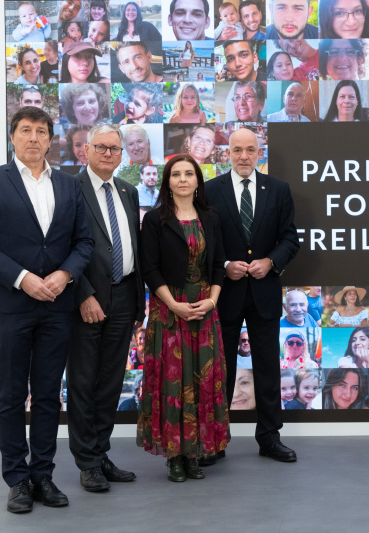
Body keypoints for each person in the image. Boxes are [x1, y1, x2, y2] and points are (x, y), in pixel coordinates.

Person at [0, 107, 93, 513]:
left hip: (57, 306)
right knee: (9, 394)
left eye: (42, 131)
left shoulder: (70, 185)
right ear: (13, 136)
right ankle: (17, 479)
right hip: (11, 305)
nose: (34, 138)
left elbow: (84, 243)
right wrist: (22, 277)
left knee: (46, 395)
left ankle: (43, 475)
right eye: (26, 131)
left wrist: (66, 275)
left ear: (51, 139)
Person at [204, 128, 300, 463]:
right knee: (221, 370)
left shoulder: (278, 190)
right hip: (224, 294)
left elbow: (290, 239)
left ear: (259, 152)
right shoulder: (209, 190)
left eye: (250, 150)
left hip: (264, 293)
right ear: (226, 153)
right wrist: (226, 264)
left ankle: (270, 438)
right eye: (237, 150)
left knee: (267, 368)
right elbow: (203, 242)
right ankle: (216, 439)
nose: (244, 156)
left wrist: (271, 261)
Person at [137, 154, 228, 481]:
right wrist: (173, 304)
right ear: (168, 181)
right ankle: (175, 455)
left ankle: (196, 452)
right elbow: (149, 268)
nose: (183, 179)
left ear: (197, 180)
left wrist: (213, 301)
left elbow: (218, 264)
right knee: (173, 380)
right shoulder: (155, 219)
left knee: (201, 380)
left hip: (204, 308)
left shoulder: (210, 217)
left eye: (189, 173)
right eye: (176, 174)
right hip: (169, 310)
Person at [66, 125, 143, 492]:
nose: (109, 154)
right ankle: (87, 462)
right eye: (102, 147)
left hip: (125, 295)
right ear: (86, 151)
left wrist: (139, 299)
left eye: (115, 148)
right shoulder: (70, 189)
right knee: (83, 382)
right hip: (87, 298)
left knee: (111, 382)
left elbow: (134, 248)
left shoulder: (128, 191)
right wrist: (82, 294)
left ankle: (100, 452)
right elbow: (61, 246)